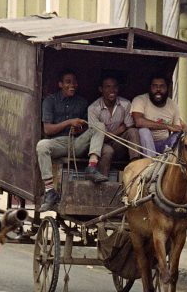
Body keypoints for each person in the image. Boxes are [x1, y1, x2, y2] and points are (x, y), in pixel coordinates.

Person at [37, 68, 107, 213]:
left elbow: (84, 126)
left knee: (99, 126)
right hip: (58, 143)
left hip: (77, 142)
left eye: (74, 82)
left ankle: (92, 167)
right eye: (68, 82)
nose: (72, 85)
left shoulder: (82, 102)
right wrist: (69, 122)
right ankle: (50, 191)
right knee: (42, 145)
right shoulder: (50, 101)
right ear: (60, 84)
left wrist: (78, 129)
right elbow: (48, 130)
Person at [83, 75, 141, 175]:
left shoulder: (125, 104)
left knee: (133, 132)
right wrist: (118, 131)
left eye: (115, 87)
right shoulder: (93, 108)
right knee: (108, 151)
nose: (112, 90)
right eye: (107, 87)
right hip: (101, 146)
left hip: (119, 145)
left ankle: (135, 168)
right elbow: (96, 138)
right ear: (101, 89)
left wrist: (119, 132)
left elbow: (129, 127)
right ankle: (101, 182)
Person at [131, 73, 185, 156]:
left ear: (167, 88)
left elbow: (177, 128)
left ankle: (173, 163)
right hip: (143, 146)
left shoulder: (173, 104)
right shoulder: (140, 100)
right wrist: (167, 126)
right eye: (155, 86)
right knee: (143, 131)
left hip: (164, 144)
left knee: (178, 135)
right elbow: (139, 121)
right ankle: (152, 162)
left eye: (162, 86)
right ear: (150, 88)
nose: (158, 89)